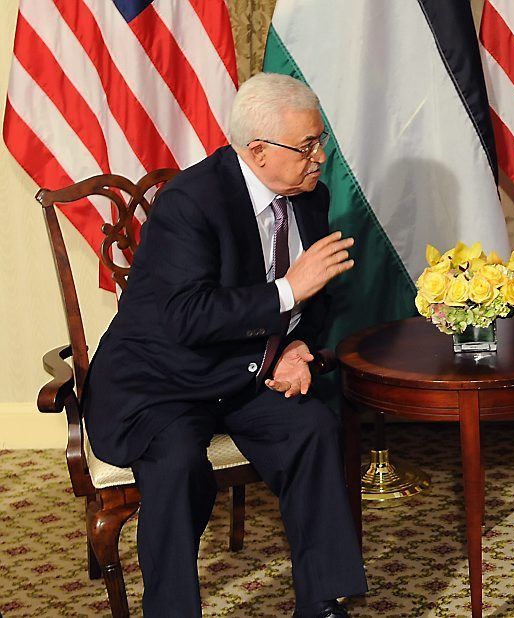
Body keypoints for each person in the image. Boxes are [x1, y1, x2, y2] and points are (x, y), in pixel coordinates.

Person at [83, 73, 365, 618]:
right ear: (256, 151)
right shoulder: (190, 202)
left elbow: (316, 298)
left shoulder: (309, 196)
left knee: (313, 429)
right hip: (162, 380)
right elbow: (188, 316)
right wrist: (288, 290)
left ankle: (323, 600)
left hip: (243, 370)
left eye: (320, 140)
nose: (321, 157)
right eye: (307, 145)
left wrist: (296, 347)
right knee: (177, 464)